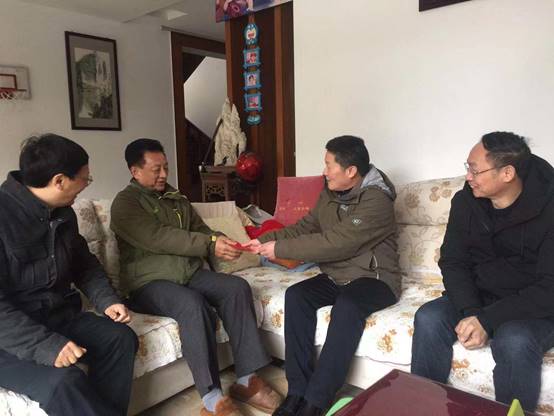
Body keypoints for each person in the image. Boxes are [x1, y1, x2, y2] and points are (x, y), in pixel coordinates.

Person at [110, 138, 282, 416]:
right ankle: (212, 398)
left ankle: (246, 379)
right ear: (135, 171)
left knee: (237, 287)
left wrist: (221, 241)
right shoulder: (125, 204)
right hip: (148, 283)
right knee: (192, 304)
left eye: (166, 167)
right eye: (156, 169)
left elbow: (201, 230)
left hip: (188, 273)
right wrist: (209, 244)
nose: (164, 174)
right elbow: (159, 238)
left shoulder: (176, 198)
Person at [248, 135, 401, 416]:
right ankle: (297, 391)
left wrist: (279, 249)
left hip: (375, 279)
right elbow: (305, 227)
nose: (324, 171)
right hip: (337, 275)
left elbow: (337, 242)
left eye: (329, 165)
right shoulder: (329, 194)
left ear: (351, 171)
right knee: (297, 296)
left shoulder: (377, 201)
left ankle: (316, 401)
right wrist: (263, 240)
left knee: (348, 305)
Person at [411, 132, 554, 412]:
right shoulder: (465, 202)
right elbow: (453, 262)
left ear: (507, 173)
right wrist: (471, 312)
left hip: (535, 307)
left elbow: (550, 287)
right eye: (468, 167)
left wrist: (488, 320)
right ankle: (425, 408)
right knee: (429, 317)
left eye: (475, 170)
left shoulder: (550, 207)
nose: (468, 177)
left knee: (514, 341)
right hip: (480, 295)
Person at [0, 134, 138, 416]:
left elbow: (84, 265)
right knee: (65, 382)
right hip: (10, 338)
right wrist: (46, 346)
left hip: (57, 316)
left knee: (121, 338)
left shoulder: (63, 213)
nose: (86, 184)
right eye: (85, 178)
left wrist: (107, 300)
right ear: (60, 180)